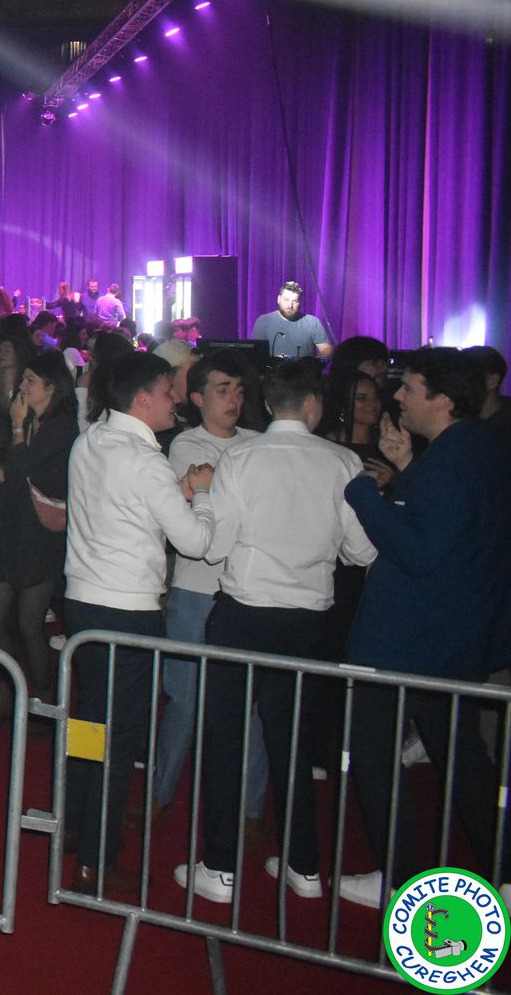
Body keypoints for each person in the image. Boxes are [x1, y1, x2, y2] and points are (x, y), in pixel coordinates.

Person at [173, 360, 376, 905]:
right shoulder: (343, 461)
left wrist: (204, 498)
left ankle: (220, 867)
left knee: (225, 738)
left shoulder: (241, 458)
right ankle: (303, 864)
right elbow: (362, 551)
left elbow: (214, 547)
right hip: (310, 619)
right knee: (293, 742)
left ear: (267, 405)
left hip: (245, 613)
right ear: (313, 404)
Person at [337, 349, 511, 909]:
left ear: (443, 399)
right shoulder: (479, 447)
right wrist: (408, 469)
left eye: (409, 388)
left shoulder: (454, 461)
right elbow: (446, 525)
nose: (397, 397)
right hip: (455, 637)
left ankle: (401, 880)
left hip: (408, 640)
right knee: (462, 758)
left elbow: (417, 549)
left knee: (376, 754)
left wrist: (364, 496)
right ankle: (503, 872)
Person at [63, 351, 216, 893]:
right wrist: (201, 494)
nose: (175, 401)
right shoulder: (146, 459)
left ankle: (75, 823)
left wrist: (177, 493)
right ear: (144, 398)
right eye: (169, 392)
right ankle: (96, 858)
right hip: (127, 611)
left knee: (89, 724)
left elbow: (125, 507)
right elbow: (194, 542)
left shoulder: (89, 441)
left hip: (82, 603)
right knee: (121, 735)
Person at [152, 354, 266, 825]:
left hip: (249, 590)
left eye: (238, 390)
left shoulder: (258, 443)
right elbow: (214, 507)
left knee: (249, 704)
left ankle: (252, 807)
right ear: (197, 398)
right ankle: (160, 793)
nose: (233, 399)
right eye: (223, 390)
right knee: (185, 698)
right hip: (197, 587)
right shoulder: (186, 446)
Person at [0, 350, 78, 711]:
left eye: (31, 381)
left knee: (29, 623)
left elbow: (28, 471)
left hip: (40, 538)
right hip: (11, 531)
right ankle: (12, 688)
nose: (22, 386)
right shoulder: (31, 421)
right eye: (24, 379)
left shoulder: (62, 429)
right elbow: (15, 481)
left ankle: (44, 699)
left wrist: (17, 427)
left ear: (52, 388)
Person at [250, 281, 334, 360]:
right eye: (286, 299)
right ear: (278, 299)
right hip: (273, 370)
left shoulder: (313, 322)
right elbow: (256, 352)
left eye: (295, 301)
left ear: (300, 302)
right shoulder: (263, 321)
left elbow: (326, 349)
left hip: (304, 370)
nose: (290, 305)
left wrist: (313, 363)